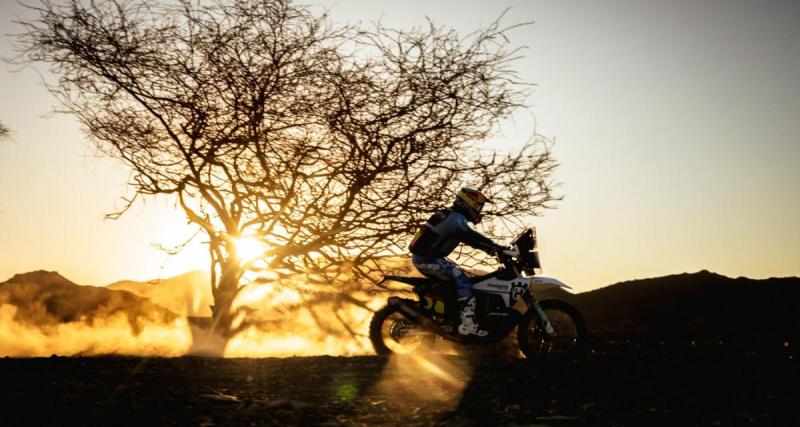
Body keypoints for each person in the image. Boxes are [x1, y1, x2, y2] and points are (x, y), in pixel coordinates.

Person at [409, 188, 506, 336]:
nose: (480, 210)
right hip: (426, 260)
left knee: (456, 282)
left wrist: (494, 249)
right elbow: (471, 237)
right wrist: (496, 248)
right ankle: (467, 325)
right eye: (479, 206)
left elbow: (471, 238)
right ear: (469, 202)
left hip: (430, 258)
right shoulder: (456, 218)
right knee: (463, 280)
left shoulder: (452, 215)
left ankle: (450, 318)